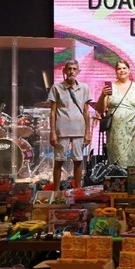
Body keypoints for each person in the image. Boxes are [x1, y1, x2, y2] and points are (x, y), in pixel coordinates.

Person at [47, 59, 91, 190]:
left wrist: (87, 132)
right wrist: (52, 132)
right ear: (64, 71)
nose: (71, 71)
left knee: (78, 161)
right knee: (59, 161)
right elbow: (53, 112)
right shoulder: (56, 88)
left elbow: (86, 111)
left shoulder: (84, 88)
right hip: (62, 130)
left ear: (78, 71)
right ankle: (56, 191)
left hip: (79, 130)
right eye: (69, 69)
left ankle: (78, 191)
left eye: (74, 69)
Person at [96, 59, 135, 167]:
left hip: (134, 130)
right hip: (115, 131)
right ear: (115, 71)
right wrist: (103, 95)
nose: (122, 70)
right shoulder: (110, 88)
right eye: (119, 68)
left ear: (129, 70)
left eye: (124, 68)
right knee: (117, 162)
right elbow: (100, 110)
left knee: (134, 159)